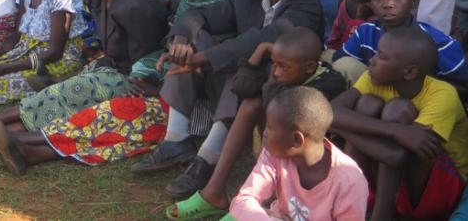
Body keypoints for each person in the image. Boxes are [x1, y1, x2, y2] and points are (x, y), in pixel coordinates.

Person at [0, 0, 229, 173]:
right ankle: (0, 130)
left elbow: (165, 52)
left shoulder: (225, 5)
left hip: (176, 94)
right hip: (149, 78)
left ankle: (11, 137)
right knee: (66, 94)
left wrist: (151, 82)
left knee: (94, 109)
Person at [132, 0, 323, 184]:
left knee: (240, 67)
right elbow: (200, 15)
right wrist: (181, 40)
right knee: (194, 41)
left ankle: (207, 157)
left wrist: (203, 58)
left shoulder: (305, 1)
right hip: (245, 70)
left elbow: (264, 37)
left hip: (280, 83)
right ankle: (176, 140)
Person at [167, 31, 349, 218]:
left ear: (310, 67)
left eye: (282, 67)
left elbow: (281, 110)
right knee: (250, 104)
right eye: (274, 64)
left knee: (268, 112)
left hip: (303, 156)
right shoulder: (290, 69)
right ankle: (214, 192)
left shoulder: (329, 84)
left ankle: (263, 206)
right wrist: (260, 49)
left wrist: (269, 82)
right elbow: (241, 88)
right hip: (279, 144)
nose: (276, 72)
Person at [331, 27, 468, 220]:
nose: (372, 60)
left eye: (382, 56)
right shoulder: (374, 77)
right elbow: (330, 111)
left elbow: (400, 156)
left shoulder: (443, 95)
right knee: (367, 104)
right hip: (391, 169)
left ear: (410, 72)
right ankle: (359, 199)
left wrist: (339, 127)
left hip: (443, 187)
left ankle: (382, 214)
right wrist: (395, 131)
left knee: (397, 109)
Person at [228, 87, 368, 220]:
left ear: (296, 140)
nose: (264, 133)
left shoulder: (349, 182)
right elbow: (242, 200)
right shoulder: (275, 155)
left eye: (270, 127)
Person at [332, 0, 468, 88]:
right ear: (371, 3)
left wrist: (414, 83)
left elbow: (463, 87)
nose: (388, 4)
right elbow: (340, 64)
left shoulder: (438, 43)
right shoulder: (365, 32)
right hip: (373, 95)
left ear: (412, 2)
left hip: (420, 102)